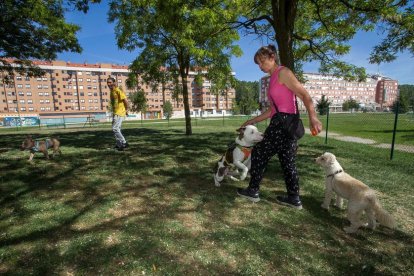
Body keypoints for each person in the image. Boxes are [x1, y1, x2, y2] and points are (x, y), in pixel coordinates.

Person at [237, 45, 322, 209]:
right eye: (258, 64)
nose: (260, 66)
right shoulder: (272, 79)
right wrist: (251, 121)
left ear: (272, 57)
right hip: (282, 120)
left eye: (262, 62)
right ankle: (294, 198)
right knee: (287, 161)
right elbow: (272, 110)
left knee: (260, 153)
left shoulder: (283, 73)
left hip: (284, 123)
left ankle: (253, 190)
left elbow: (304, 94)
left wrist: (313, 117)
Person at [107, 77, 129, 151]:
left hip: (120, 112)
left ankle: (124, 142)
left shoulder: (118, 90)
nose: (108, 84)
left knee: (115, 128)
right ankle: (119, 145)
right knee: (116, 129)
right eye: (108, 82)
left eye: (110, 82)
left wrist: (127, 109)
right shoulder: (111, 91)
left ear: (114, 82)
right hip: (115, 112)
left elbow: (126, 100)